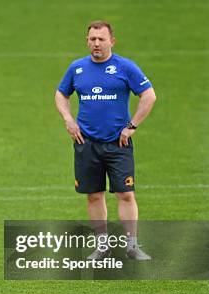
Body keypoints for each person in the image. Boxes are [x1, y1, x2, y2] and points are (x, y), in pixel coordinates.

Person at [54, 21, 157, 260]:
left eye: (101, 39)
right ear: (87, 41)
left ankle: (132, 245)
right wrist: (68, 119)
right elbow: (61, 93)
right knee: (94, 195)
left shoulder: (125, 67)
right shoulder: (77, 68)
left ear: (112, 41)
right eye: (92, 39)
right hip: (86, 143)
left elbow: (149, 95)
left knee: (126, 194)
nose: (96, 44)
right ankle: (102, 246)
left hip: (117, 144)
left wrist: (132, 126)